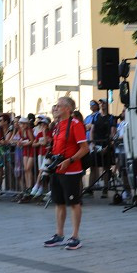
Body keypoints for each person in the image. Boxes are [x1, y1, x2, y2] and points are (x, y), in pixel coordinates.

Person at [43, 96, 88, 251]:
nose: (55, 107)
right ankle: (59, 234)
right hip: (57, 169)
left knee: (74, 203)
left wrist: (70, 160)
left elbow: (84, 148)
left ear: (68, 109)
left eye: (58, 105)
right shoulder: (56, 125)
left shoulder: (75, 124)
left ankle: (75, 236)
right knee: (59, 202)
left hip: (71, 171)